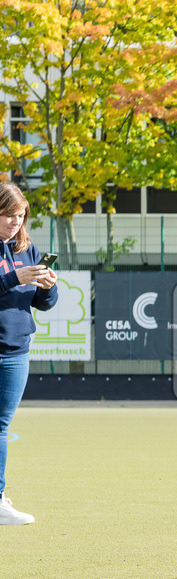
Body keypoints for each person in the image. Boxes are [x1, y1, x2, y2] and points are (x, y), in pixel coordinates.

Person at [0, 183, 58, 525]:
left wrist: (49, 288)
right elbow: (9, 284)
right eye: (8, 215)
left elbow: (42, 303)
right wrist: (12, 278)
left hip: (16, 350)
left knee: (1, 425)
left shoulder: (27, 248)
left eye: (20, 216)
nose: (14, 222)